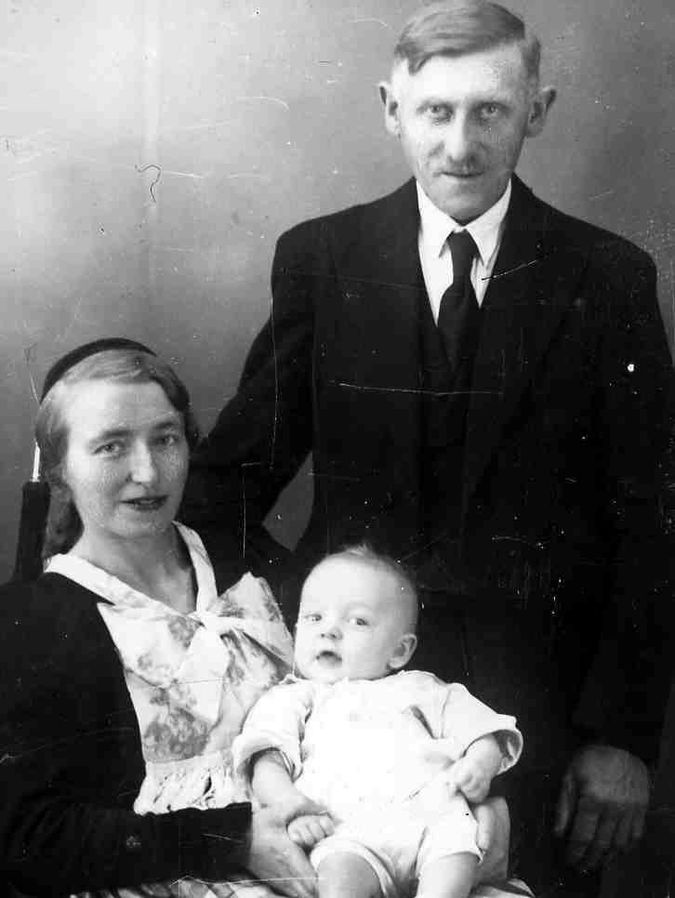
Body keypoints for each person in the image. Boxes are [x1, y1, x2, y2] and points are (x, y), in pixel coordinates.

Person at [185, 1, 675, 892]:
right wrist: (303, 617)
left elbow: (652, 522)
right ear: (390, 109)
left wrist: (621, 737)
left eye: (489, 111)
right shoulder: (323, 258)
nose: (459, 144)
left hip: (531, 723)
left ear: (536, 110)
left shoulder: (605, 276)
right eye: (435, 111)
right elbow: (230, 482)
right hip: (338, 724)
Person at [0, 339, 320, 898]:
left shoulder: (247, 559)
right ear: (60, 473)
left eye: (165, 438)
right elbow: (28, 838)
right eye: (111, 447)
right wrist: (233, 840)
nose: (148, 472)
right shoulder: (29, 621)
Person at [234, 546, 525, 898]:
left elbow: (483, 731)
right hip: (344, 830)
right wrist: (292, 806)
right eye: (314, 618)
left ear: (400, 651)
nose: (329, 631)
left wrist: (480, 763)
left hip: (432, 820)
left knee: (455, 854)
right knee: (338, 882)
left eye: (358, 621)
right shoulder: (292, 697)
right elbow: (267, 761)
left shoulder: (422, 688)